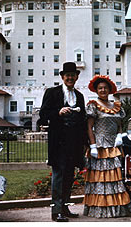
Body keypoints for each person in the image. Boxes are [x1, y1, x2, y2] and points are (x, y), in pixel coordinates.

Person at [39, 62, 86, 222]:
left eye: (73, 75)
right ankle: (56, 210)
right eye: (67, 75)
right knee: (58, 175)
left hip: (74, 143)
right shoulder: (52, 93)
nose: (70, 78)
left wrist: (85, 143)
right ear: (62, 77)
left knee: (69, 176)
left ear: (77, 77)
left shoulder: (79, 96)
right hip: (58, 142)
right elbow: (43, 114)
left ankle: (65, 207)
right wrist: (57, 112)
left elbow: (83, 121)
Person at [83, 75, 131, 218]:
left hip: (114, 145)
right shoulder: (93, 105)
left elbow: (119, 124)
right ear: (96, 90)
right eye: (100, 88)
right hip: (100, 145)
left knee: (114, 177)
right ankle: (101, 209)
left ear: (110, 89)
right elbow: (89, 127)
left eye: (105, 88)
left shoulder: (116, 105)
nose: (103, 90)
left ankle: (115, 208)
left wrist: (119, 135)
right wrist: (92, 145)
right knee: (102, 177)